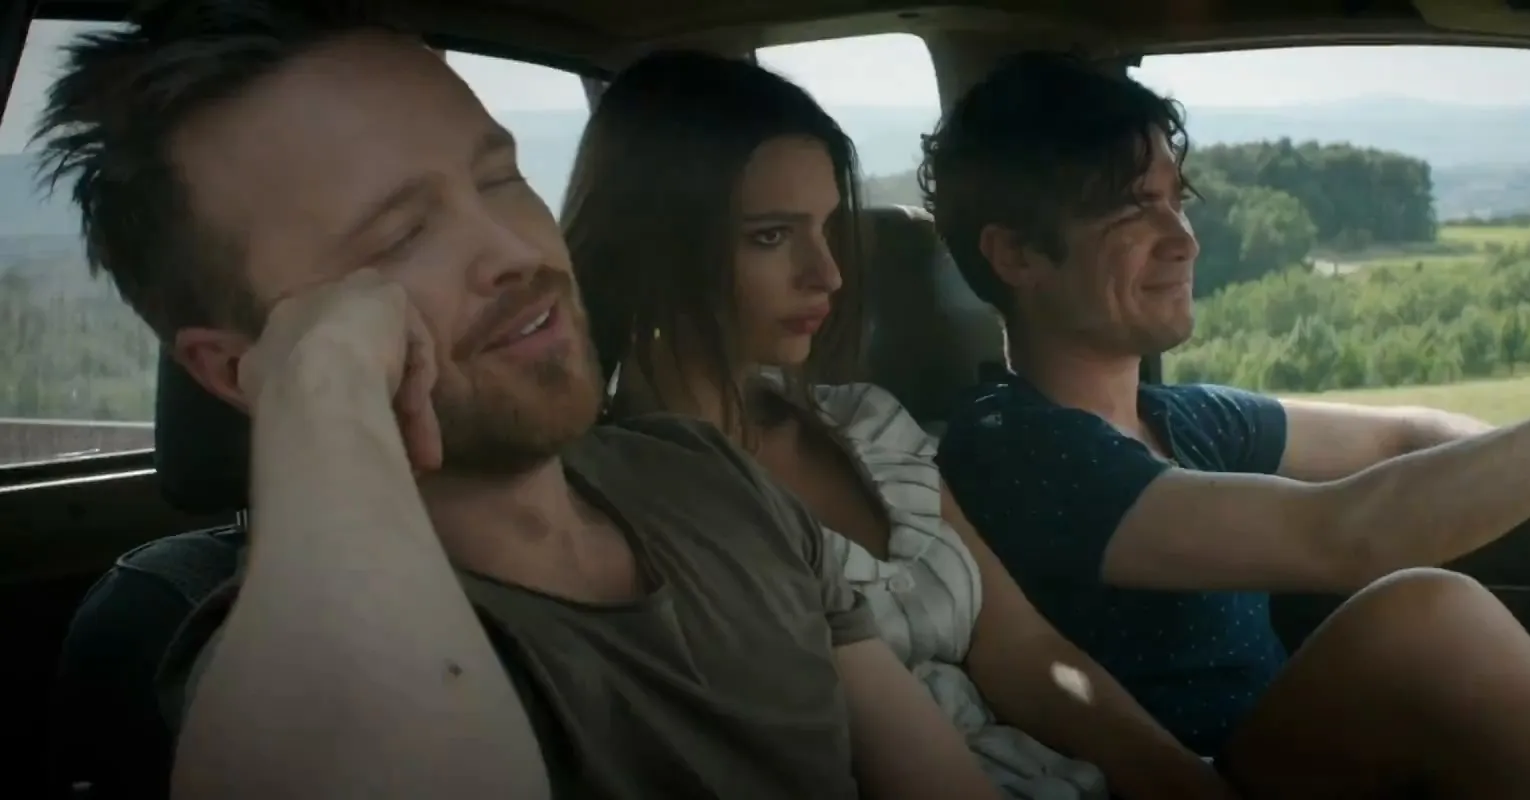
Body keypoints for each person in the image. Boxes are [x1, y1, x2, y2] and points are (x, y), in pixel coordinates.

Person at [35, 2, 1004, 798]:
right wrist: (320, 391)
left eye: (500, 178)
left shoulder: (710, 475)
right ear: (239, 366)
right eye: (398, 237)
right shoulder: (282, 655)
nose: (514, 248)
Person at [920, 52, 1530, 800]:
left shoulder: (1180, 418)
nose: (1184, 238)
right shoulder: (1014, 448)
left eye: (1176, 199)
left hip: (1289, 760)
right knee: (1429, 624)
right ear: (1017, 254)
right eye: (1130, 208)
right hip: (1188, 781)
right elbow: (1348, 534)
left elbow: (1404, 434)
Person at [563, 50, 1234, 800]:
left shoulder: (867, 420)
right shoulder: (615, 505)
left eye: (827, 228)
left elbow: (1028, 656)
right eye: (770, 236)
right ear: (655, 243)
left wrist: (1185, 785)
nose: (828, 274)